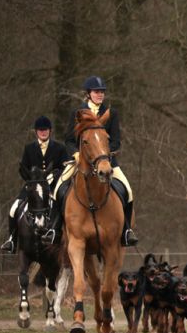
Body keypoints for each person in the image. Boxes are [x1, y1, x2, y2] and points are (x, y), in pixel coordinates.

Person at [45, 75, 138, 246]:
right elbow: (69, 140)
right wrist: (76, 155)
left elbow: (116, 140)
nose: (100, 95)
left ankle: (126, 231)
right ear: (88, 93)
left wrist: (105, 155)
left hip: (105, 161)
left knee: (128, 190)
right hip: (81, 161)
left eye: (102, 92)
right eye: (96, 92)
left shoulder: (111, 114)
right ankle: (54, 228)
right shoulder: (77, 113)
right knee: (58, 187)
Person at [0, 116, 69, 253]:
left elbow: (65, 167)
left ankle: (63, 236)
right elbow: (23, 168)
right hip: (32, 187)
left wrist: (54, 176)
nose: (43, 132)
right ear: (36, 132)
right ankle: (12, 240)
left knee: (65, 208)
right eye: (40, 130)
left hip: (53, 187)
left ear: (50, 131)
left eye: (46, 130)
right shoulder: (29, 148)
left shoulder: (59, 148)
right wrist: (30, 178)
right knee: (13, 209)